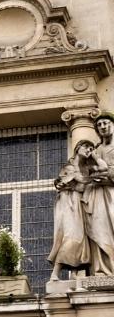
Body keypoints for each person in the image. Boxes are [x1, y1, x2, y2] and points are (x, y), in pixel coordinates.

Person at [48, 139, 94, 280]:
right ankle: (55, 272)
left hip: (80, 204)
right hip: (68, 203)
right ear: (78, 148)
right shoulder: (68, 167)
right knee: (71, 236)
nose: (89, 150)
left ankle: (74, 272)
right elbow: (62, 184)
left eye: (91, 149)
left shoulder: (87, 169)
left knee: (80, 238)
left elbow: (83, 185)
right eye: (86, 147)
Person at [82, 114, 114, 276]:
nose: (102, 126)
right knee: (98, 227)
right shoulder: (96, 150)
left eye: (105, 123)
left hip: (112, 193)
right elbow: (87, 173)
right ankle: (102, 269)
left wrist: (108, 176)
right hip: (97, 195)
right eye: (99, 124)